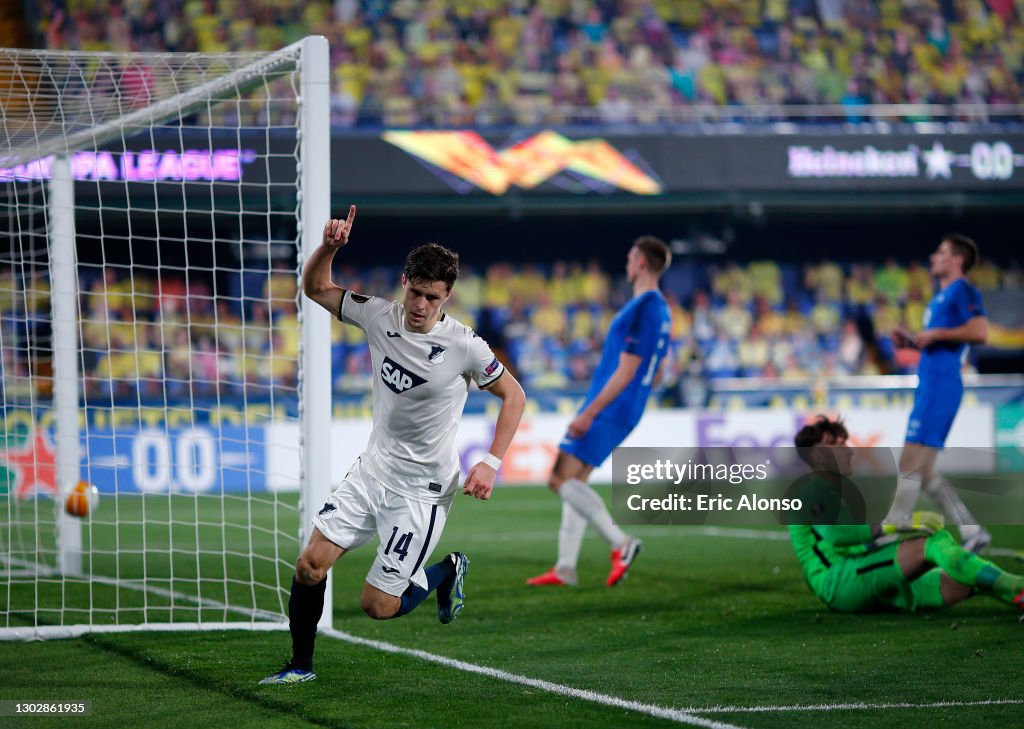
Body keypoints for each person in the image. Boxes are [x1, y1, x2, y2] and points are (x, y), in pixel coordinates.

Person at [261, 206, 526, 684]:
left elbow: (514, 395)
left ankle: (447, 572)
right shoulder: (380, 315)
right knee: (309, 566)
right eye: (416, 292)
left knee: (377, 606)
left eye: (433, 297)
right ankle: (300, 667)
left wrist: (490, 462)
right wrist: (330, 248)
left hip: (420, 494)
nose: (421, 305)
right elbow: (317, 288)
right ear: (404, 282)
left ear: (447, 297)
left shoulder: (465, 346)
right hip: (371, 472)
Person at [526, 236, 672, 588]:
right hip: (625, 404)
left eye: (630, 257)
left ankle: (621, 543)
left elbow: (627, 369)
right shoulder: (662, 309)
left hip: (611, 405)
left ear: (641, 263)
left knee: (559, 478)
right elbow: (659, 370)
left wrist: (590, 412)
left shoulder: (644, 307)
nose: (625, 263)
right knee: (574, 480)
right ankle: (565, 567)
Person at [791, 416, 1024, 614]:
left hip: (855, 575)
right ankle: (1018, 586)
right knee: (933, 543)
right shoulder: (810, 491)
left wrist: (883, 541)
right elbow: (838, 534)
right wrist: (896, 525)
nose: (850, 451)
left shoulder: (828, 490)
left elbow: (840, 543)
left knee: (966, 579)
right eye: (838, 446)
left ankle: (1017, 595)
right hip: (840, 580)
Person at [888, 234, 990, 552]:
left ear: (957, 260)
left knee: (910, 460)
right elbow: (938, 341)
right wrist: (914, 341)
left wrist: (935, 334)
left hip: (942, 385)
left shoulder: (963, 291)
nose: (934, 257)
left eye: (941, 252)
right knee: (927, 471)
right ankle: (972, 531)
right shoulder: (939, 297)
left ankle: (890, 530)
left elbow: (980, 332)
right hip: (931, 384)